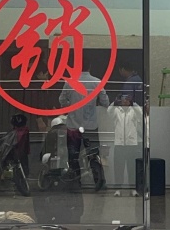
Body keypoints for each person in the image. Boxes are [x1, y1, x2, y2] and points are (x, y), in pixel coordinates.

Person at [58, 58, 109, 187]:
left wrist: (71, 106)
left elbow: (62, 100)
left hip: (73, 125)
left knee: (73, 155)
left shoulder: (69, 82)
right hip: (91, 125)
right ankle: (98, 180)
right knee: (93, 153)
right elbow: (105, 102)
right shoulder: (97, 82)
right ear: (89, 67)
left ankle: (76, 181)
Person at [107, 94, 142, 197]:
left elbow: (140, 113)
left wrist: (133, 103)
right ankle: (118, 189)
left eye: (127, 99)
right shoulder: (116, 110)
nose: (125, 101)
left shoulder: (133, 110)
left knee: (132, 168)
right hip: (119, 143)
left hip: (132, 144)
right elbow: (109, 112)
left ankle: (133, 189)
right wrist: (114, 103)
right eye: (123, 99)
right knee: (118, 168)